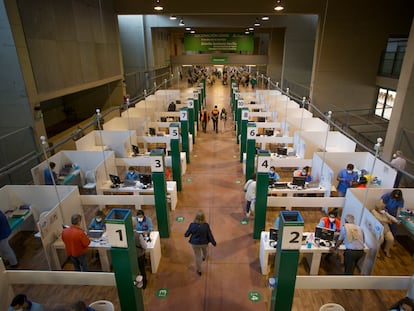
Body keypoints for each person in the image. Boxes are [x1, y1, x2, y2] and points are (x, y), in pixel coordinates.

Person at [184, 210, 217, 276]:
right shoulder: (206, 226)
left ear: (196, 217)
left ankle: (199, 270)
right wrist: (214, 242)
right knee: (204, 251)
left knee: (197, 256)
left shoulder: (192, 225)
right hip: (204, 243)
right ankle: (204, 257)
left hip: (195, 244)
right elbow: (210, 235)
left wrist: (186, 234)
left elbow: (187, 234)